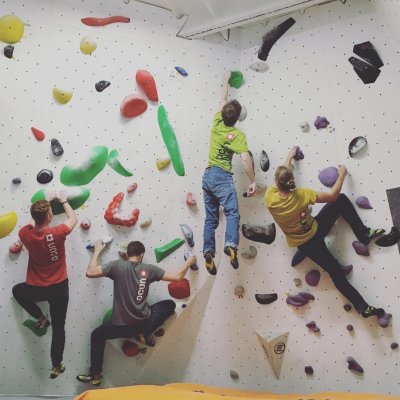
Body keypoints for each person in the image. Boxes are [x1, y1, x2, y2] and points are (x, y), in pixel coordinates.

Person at [265, 147, 387, 320]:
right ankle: (363, 234)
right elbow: (332, 195)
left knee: (335, 271)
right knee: (341, 200)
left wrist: (288, 157)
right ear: (290, 181)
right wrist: (342, 174)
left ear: (276, 184)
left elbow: (281, 177)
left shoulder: (270, 199)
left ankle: (363, 307)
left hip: (306, 245)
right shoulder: (302, 195)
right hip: (316, 228)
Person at [76, 240, 197, 386]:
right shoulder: (149, 269)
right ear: (141, 255)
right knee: (170, 304)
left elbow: (90, 272)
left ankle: (95, 375)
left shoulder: (117, 265)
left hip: (119, 327)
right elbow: (178, 276)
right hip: (142, 323)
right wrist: (189, 261)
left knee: (96, 336)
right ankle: (144, 333)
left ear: (127, 254)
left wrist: (97, 251)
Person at [12, 191, 77, 378]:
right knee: (59, 327)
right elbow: (73, 218)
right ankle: (56, 365)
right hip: (59, 288)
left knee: (17, 290)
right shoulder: (59, 232)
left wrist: (45, 202)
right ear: (50, 216)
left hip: (37, 288)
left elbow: (33, 225)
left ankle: (40, 318)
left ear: (34, 217)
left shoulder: (24, 233)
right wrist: (63, 200)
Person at [202, 70, 256, 275]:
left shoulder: (216, 122)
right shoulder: (237, 135)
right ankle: (230, 245)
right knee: (232, 212)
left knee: (211, 219)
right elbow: (244, 158)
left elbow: (222, 98)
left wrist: (225, 79)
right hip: (222, 176)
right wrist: (252, 180)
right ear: (237, 119)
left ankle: (208, 252)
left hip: (207, 176)